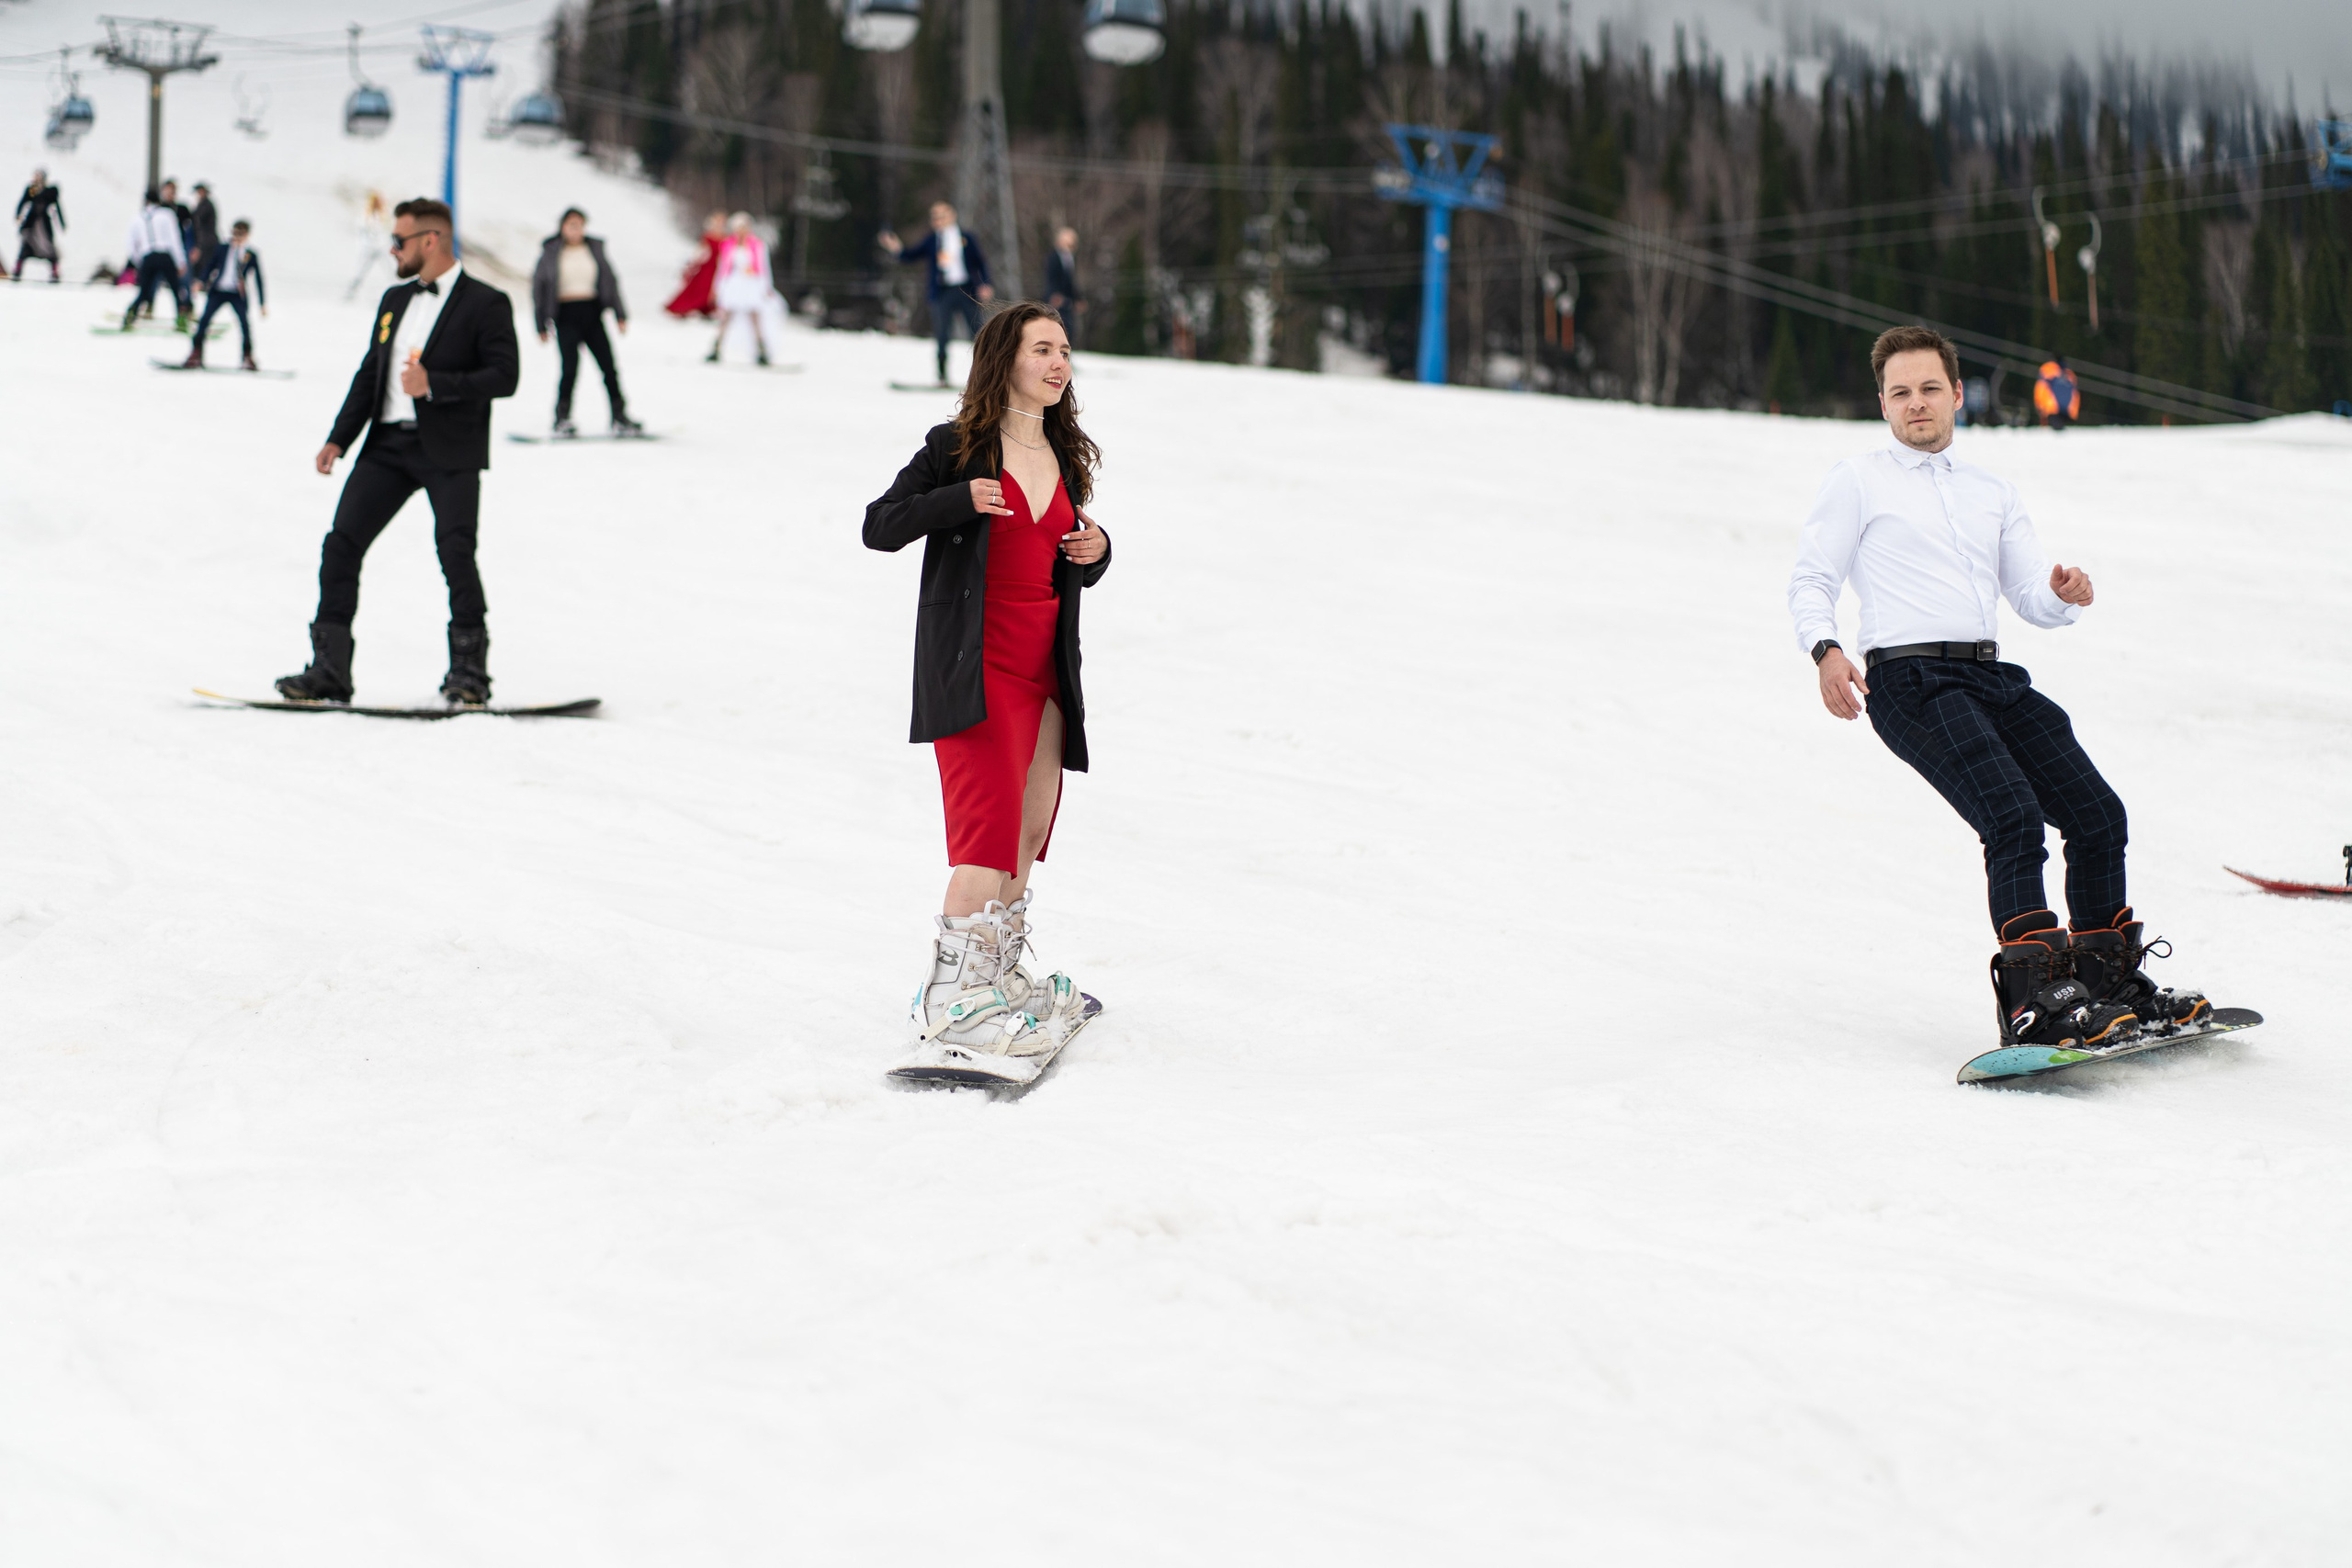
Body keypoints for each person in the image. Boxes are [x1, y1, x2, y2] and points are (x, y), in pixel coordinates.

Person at [1787, 324, 2207, 1058]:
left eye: (1928, 389)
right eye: (1899, 393)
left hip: (1990, 674)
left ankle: (2106, 990)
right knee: (2012, 818)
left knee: (2098, 814)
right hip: (1910, 679)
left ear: (1956, 393)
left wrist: (2062, 591)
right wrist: (1825, 649)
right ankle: (2036, 1004)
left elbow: (2029, 597)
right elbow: (1812, 579)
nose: (1915, 404)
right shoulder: (1857, 479)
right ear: (1882, 404)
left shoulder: (1991, 491)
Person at [861, 302, 1113, 1076]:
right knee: (986, 831)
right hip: (976, 665)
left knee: (1032, 827)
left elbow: (1063, 555)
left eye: (1065, 349)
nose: (1059, 361)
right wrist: (959, 498)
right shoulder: (957, 447)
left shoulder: (1063, 458)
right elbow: (881, 524)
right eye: (1043, 348)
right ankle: (951, 1004)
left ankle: (995, 978)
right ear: (1005, 359)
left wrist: (1097, 549)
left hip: (1045, 668)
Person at [277, 198, 519, 707]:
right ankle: (329, 671)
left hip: (449, 451)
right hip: (387, 446)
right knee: (341, 545)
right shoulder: (393, 300)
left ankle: (470, 673)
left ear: (431, 241)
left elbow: (504, 376)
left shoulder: (486, 303)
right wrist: (338, 438)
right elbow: (372, 373)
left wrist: (436, 384)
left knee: (455, 554)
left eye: (400, 241)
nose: (393, 249)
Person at [531, 208, 639, 436]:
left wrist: (620, 314)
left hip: (591, 312)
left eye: (579, 225)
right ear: (562, 227)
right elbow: (539, 289)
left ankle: (619, 416)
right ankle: (562, 418)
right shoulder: (551, 252)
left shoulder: (595, 250)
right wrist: (540, 323)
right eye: (571, 225)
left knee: (608, 367)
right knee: (569, 368)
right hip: (566, 314)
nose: (575, 229)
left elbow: (611, 282)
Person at [880, 202, 994, 387]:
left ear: (952, 216)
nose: (938, 220)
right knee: (942, 335)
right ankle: (942, 377)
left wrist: (985, 284)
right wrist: (896, 248)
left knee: (978, 333)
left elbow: (981, 262)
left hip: (966, 290)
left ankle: (986, 375)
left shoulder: (966, 237)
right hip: (943, 292)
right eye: (935, 217)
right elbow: (911, 255)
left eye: (942, 216)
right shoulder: (932, 240)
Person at [183, 219, 266, 371]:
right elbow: (210, 265)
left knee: (244, 325)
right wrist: (201, 281)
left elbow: (259, 279)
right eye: (235, 233)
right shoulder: (223, 248)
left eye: (240, 234)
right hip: (219, 291)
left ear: (247, 235)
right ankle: (196, 354)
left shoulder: (250, 254)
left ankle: (247, 357)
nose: (237, 237)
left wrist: (262, 303)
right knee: (204, 321)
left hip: (237, 294)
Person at [709, 211, 786, 366]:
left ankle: (762, 351)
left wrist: (766, 287)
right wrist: (718, 286)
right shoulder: (728, 245)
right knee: (726, 317)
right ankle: (716, 348)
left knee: (755, 318)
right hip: (735, 283)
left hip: (751, 284)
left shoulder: (757, 245)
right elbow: (723, 268)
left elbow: (764, 268)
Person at [121, 188, 187, 331]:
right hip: (165, 255)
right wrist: (181, 261)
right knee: (176, 290)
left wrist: (139, 260)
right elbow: (175, 239)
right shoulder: (167, 215)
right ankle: (181, 320)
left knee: (144, 290)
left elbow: (131, 245)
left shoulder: (137, 218)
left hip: (148, 256)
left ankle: (130, 316)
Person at [665, 210, 725, 320]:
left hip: (717, 268)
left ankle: (707, 309)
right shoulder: (708, 236)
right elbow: (701, 251)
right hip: (707, 267)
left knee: (711, 290)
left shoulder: (724, 237)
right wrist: (694, 263)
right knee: (700, 288)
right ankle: (684, 307)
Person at [14, 169, 64, 282]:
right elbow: (23, 202)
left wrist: (61, 222)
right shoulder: (32, 190)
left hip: (43, 227)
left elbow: (57, 207)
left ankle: (55, 273)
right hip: (32, 226)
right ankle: (17, 271)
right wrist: (18, 215)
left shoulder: (49, 192)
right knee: (25, 249)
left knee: (50, 250)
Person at [1043, 226, 1084, 345]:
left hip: (1067, 301)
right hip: (1056, 300)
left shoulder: (1069, 258)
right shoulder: (1053, 257)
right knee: (1059, 329)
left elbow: (1070, 282)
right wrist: (1054, 295)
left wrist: (1078, 299)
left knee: (1070, 330)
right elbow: (1051, 278)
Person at [2033, 358, 2079, 431]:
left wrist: (2040, 407)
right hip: (2067, 413)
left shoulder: (2048, 373)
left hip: (2052, 410)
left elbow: (2040, 390)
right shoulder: (2069, 375)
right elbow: (2075, 394)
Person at [187, 181, 219, 279]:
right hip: (204, 240)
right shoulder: (204, 205)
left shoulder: (206, 206)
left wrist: (199, 246)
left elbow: (199, 223)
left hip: (206, 241)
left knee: (203, 264)